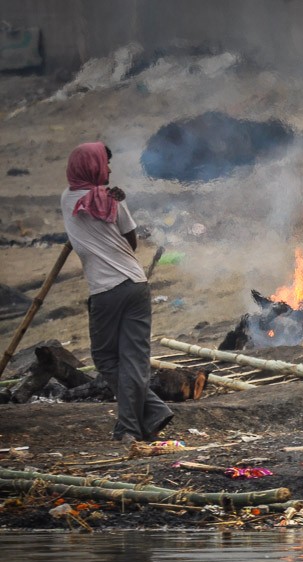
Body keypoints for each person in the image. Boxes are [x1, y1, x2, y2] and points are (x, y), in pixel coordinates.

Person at [60, 142, 173, 445]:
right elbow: (132, 244)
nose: (108, 170)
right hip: (136, 284)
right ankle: (152, 413)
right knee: (134, 359)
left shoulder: (68, 200)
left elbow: (82, 222)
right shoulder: (114, 200)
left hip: (106, 291)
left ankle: (130, 427)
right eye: (104, 164)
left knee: (106, 357)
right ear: (92, 167)